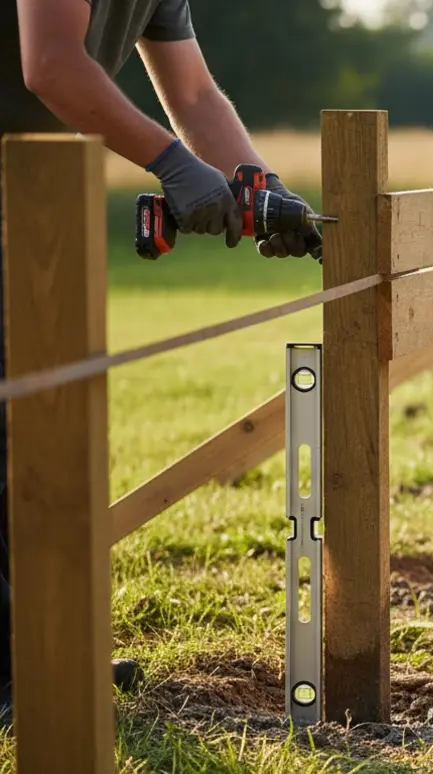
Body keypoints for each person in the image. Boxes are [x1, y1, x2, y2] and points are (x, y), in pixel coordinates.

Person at [1, 0, 322, 719]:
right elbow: (49, 65)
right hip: (18, 179)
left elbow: (196, 95)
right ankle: (17, 673)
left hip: (28, 193)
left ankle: (40, 654)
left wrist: (260, 189)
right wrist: (173, 164)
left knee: (35, 426)